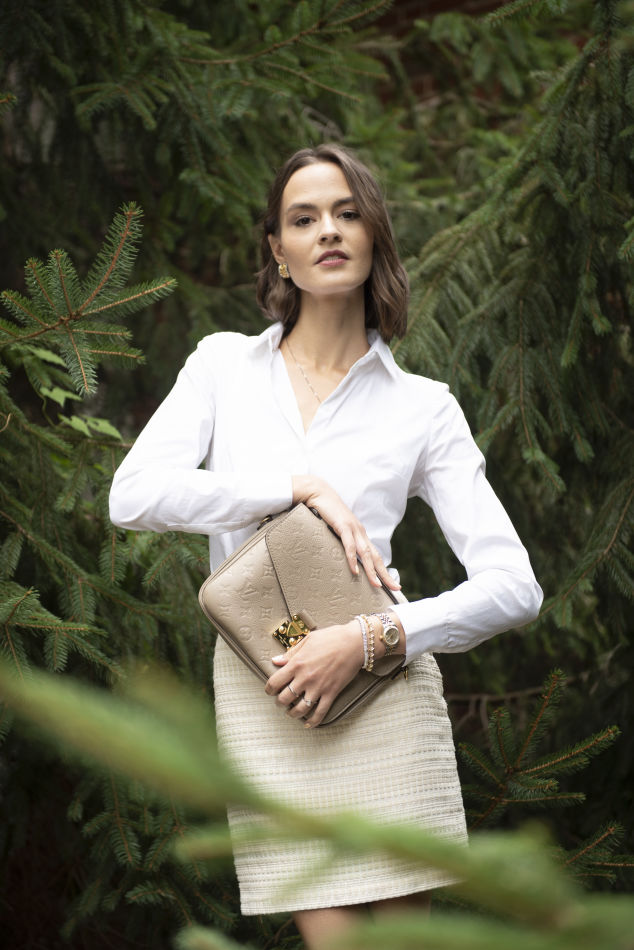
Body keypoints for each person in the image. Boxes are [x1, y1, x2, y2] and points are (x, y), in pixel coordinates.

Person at [109, 144, 543, 949]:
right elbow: (133, 495)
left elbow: (515, 586)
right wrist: (293, 486)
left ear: (375, 234)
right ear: (278, 249)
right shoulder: (222, 368)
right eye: (304, 219)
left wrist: (375, 636)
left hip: (382, 680)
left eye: (347, 213)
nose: (329, 231)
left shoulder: (424, 407)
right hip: (269, 684)